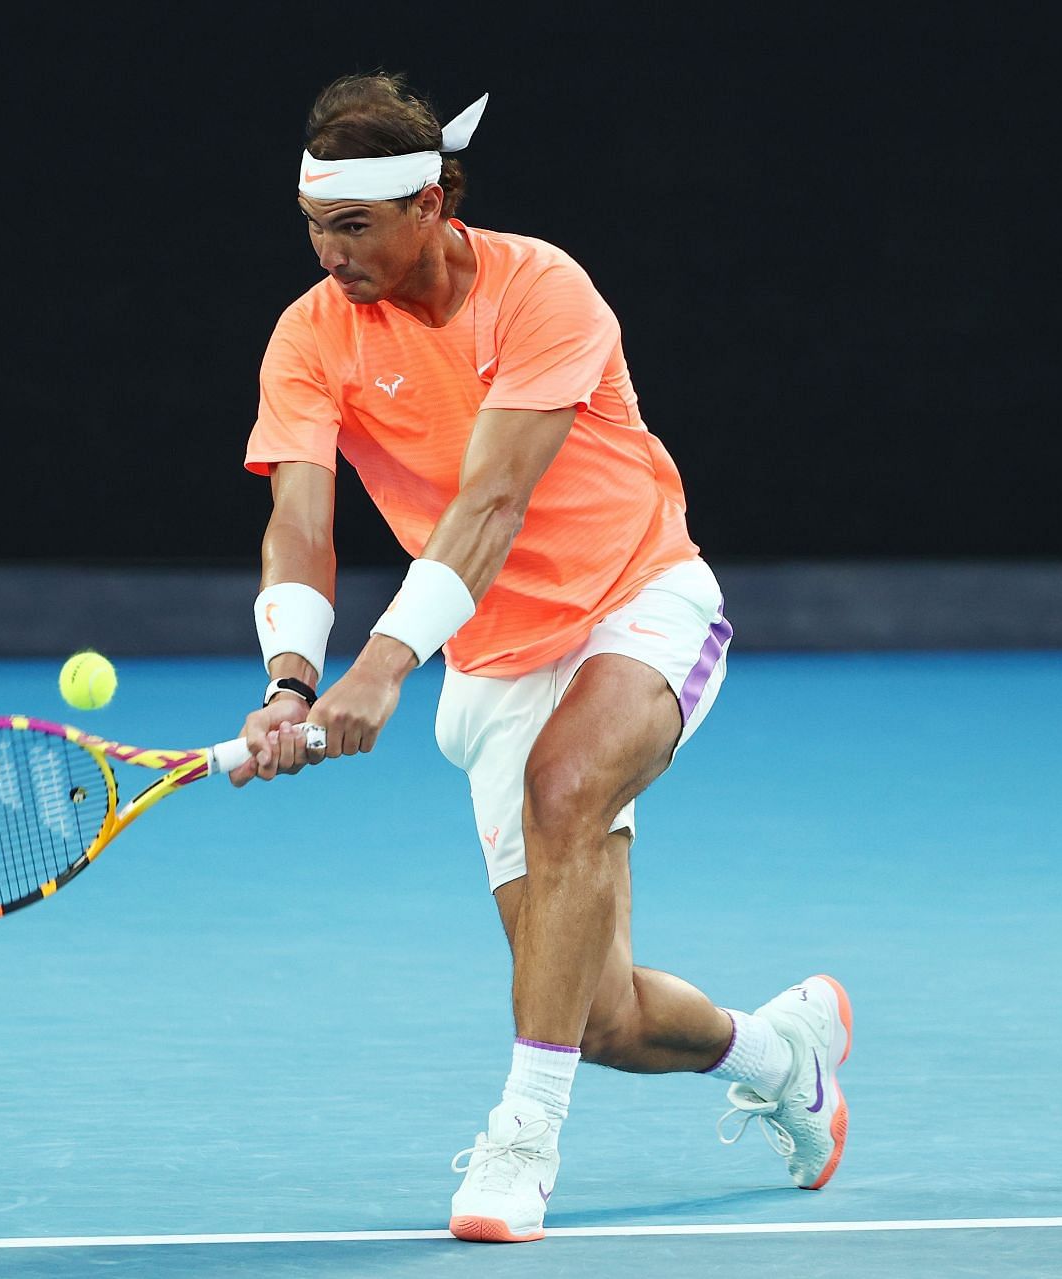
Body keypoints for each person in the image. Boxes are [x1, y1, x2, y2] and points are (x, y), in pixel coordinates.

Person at [229, 73, 851, 1244]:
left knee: (564, 788)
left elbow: (492, 504)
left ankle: (522, 1141)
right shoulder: (310, 336)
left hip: (637, 599)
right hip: (498, 657)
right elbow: (300, 526)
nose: (329, 252)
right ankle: (782, 1052)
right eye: (313, 224)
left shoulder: (540, 289)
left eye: (353, 225)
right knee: (600, 1013)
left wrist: (384, 663)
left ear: (430, 202)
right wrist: (292, 679)